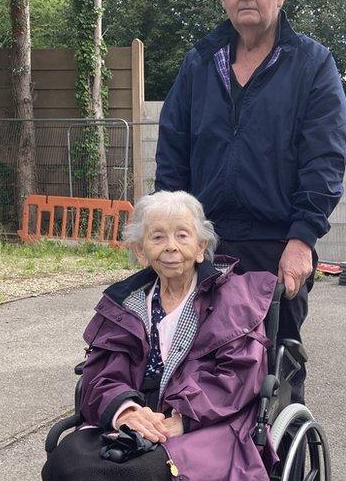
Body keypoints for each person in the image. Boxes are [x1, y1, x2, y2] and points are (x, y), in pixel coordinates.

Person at [154, 0, 346, 404]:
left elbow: (325, 158)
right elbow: (172, 154)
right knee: (194, 371)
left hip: (275, 248)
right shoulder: (199, 64)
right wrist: (168, 236)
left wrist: (302, 239)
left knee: (271, 378)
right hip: (203, 245)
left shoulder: (311, 65)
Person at [42, 191, 278, 481]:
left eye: (182, 235)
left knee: (142, 473)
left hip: (206, 423)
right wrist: (125, 412)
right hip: (132, 418)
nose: (171, 247)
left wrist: (180, 419)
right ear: (141, 250)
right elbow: (101, 374)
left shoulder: (234, 300)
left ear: (201, 246)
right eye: (157, 237)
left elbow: (241, 374)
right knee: (66, 461)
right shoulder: (125, 303)